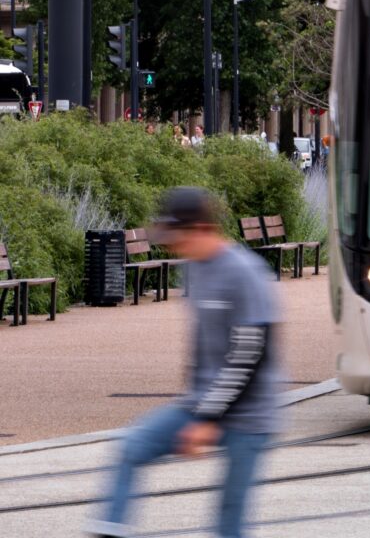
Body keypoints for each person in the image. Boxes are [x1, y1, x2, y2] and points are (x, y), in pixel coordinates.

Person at [91, 187, 283, 538]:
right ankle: (110, 531)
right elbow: (201, 343)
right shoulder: (195, 269)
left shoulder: (246, 273)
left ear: (202, 229)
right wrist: (195, 405)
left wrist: (209, 420)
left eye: (178, 238)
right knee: (132, 446)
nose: (173, 247)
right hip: (201, 404)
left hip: (250, 415)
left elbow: (250, 355)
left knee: (229, 518)